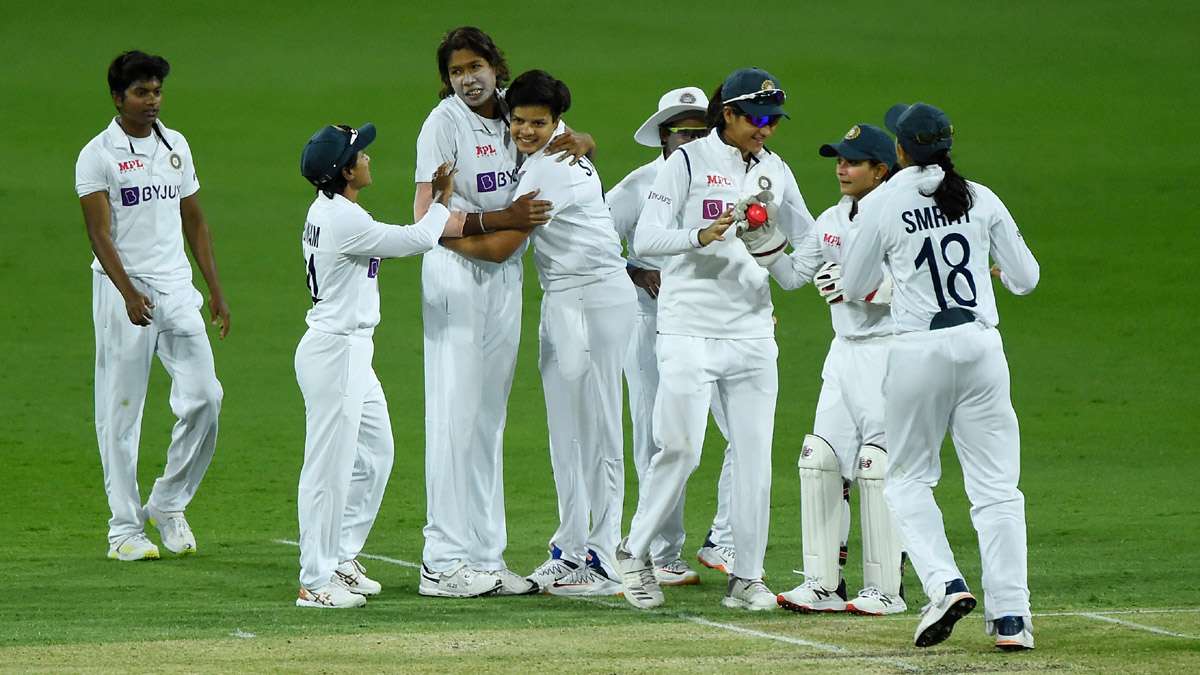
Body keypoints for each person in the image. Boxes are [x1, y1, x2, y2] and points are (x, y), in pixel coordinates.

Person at [614, 67, 816, 611]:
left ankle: (747, 576)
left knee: (754, 456)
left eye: (774, 120)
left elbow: (807, 251)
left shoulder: (776, 170)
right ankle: (634, 553)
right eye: (758, 118)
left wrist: (779, 247)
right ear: (727, 115)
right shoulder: (685, 162)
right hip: (687, 328)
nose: (767, 130)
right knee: (679, 448)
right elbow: (651, 238)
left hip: (751, 332)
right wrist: (701, 234)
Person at [840, 102, 1039, 649]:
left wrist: (898, 275)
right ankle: (1012, 619)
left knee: (906, 480)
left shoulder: (884, 203)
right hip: (980, 349)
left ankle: (945, 584)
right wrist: (989, 270)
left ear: (900, 152)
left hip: (916, 353)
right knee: (998, 491)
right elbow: (1026, 279)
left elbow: (854, 286)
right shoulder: (980, 196)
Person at [412, 26, 594, 598]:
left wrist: (583, 141)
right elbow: (425, 214)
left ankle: (486, 559)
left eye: (476, 66)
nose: (467, 78)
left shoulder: (518, 118)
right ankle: (441, 563)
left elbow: (569, 143)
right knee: (453, 417)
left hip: (505, 277)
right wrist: (498, 226)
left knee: (488, 420)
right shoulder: (443, 124)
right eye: (456, 70)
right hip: (456, 273)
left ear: (497, 66)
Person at [294, 122, 463, 608]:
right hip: (336, 352)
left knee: (375, 454)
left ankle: (342, 557)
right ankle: (316, 578)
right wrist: (440, 202)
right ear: (345, 171)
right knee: (328, 468)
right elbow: (415, 241)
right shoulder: (342, 219)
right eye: (360, 154)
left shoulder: (336, 208)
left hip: (350, 352)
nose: (368, 157)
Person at [76, 50, 229, 562]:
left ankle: (167, 503)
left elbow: (196, 222)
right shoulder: (97, 154)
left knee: (206, 396)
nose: (153, 101)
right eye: (142, 93)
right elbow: (99, 234)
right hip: (125, 292)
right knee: (121, 412)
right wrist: (126, 292)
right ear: (118, 98)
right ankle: (123, 530)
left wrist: (215, 290)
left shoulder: (175, 145)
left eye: (157, 91)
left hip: (176, 289)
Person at [770, 123, 908, 616]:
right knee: (819, 459)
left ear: (881, 170)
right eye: (838, 160)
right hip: (843, 352)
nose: (841, 168)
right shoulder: (830, 217)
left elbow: (918, 286)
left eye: (853, 161)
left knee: (877, 465)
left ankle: (886, 589)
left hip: (889, 351)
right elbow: (791, 277)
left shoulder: (900, 216)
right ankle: (822, 583)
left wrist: (859, 287)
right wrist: (763, 240)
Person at [605, 86, 738, 585]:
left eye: (700, 131)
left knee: (741, 435)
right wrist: (636, 273)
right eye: (683, 131)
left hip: (718, 324)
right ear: (663, 135)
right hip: (647, 324)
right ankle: (663, 552)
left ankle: (723, 539)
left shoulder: (726, 183)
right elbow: (590, 246)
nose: (692, 139)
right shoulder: (636, 188)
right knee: (659, 438)